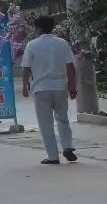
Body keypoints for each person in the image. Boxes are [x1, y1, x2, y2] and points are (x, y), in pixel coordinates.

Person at [21, 15, 78, 165]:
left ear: (38, 28)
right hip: (60, 87)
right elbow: (70, 67)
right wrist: (72, 86)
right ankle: (67, 146)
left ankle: (53, 156)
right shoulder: (62, 43)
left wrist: (25, 86)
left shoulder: (32, 45)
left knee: (45, 123)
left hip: (41, 88)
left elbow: (26, 68)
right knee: (63, 118)